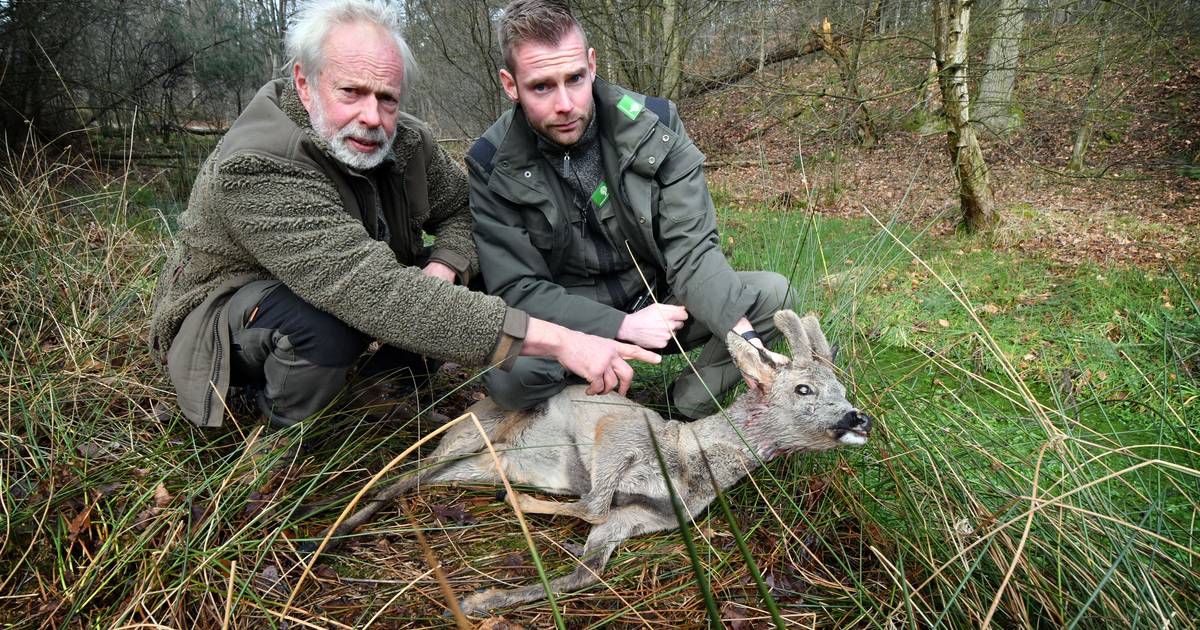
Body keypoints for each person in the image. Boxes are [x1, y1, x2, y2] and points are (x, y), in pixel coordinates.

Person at [149, 0, 657, 429]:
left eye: (387, 98)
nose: (372, 117)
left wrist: (447, 264)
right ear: (305, 82)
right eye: (351, 92)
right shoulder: (256, 165)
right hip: (225, 322)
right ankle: (284, 440)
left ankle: (381, 392)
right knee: (324, 323)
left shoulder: (407, 141)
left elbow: (467, 211)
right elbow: (371, 291)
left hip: (355, 290)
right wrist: (560, 341)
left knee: (482, 267)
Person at [467, 0, 790, 420]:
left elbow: (692, 250)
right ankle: (590, 404)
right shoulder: (491, 162)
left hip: (661, 302)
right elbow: (519, 289)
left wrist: (745, 342)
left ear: (591, 64)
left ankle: (682, 409)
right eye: (541, 87)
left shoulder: (656, 124)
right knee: (510, 376)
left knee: (773, 297)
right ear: (510, 85)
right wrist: (619, 327)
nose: (565, 104)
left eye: (575, 79)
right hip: (570, 321)